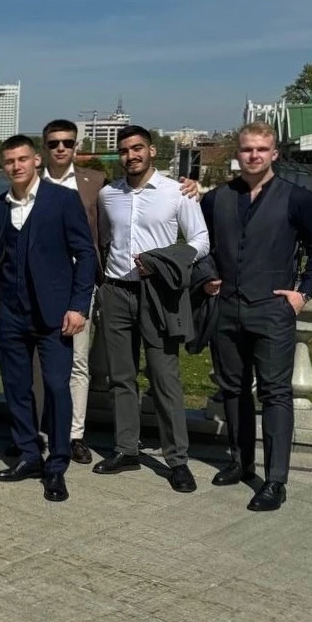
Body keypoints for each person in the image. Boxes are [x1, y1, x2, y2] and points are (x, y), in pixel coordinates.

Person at [202, 122, 312, 511]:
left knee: (275, 393)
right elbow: (202, 248)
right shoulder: (215, 199)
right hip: (227, 308)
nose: (253, 155)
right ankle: (240, 462)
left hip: (273, 309)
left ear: (274, 154)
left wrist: (303, 293)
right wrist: (207, 277)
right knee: (233, 388)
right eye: (247, 149)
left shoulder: (297, 198)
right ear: (238, 153)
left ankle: (275, 480)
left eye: (261, 149)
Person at [0, 135, 96, 503]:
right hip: (11, 311)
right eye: (9, 161)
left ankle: (57, 463)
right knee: (16, 386)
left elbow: (85, 254)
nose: (16, 166)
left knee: (57, 387)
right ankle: (28, 454)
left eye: (22, 159)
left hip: (55, 312)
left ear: (36, 160)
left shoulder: (62, 200)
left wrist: (78, 306)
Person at [95, 125, 209, 492]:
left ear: (152, 151)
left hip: (158, 293)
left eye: (138, 148)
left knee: (164, 378)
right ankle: (126, 449)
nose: (131, 155)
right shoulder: (108, 195)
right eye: (124, 150)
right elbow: (104, 240)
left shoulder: (177, 192)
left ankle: (177, 460)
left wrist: (163, 261)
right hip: (116, 291)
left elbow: (201, 240)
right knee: (120, 377)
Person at [35, 120, 107, 464]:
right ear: (44, 147)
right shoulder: (31, 182)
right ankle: (38, 430)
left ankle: (74, 434)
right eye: (54, 143)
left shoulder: (95, 182)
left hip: (79, 282)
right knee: (37, 362)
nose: (61, 148)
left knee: (78, 361)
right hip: (38, 284)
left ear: (75, 146)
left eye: (67, 142)